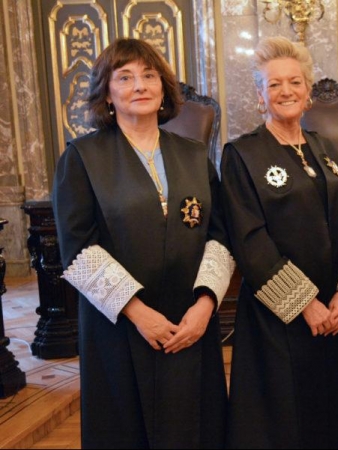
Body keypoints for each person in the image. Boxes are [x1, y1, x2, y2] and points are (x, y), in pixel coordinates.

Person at [52, 38, 235, 449]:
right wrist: (139, 314)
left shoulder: (193, 155)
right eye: (125, 77)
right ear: (107, 93)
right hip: (120, 326)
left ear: (163, 87)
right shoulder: (82, 158)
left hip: (190, 321)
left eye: (149, 75)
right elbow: (78, 252)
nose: (140, 85)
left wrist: (206, 307)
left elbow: (220, 236)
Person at [220, 36, 338, 449]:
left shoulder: (326, 149)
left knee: (332, 417)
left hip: (335, 313)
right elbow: (249, 238)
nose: (286, 91)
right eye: (274, 84)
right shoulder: (241, 154)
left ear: (308, 91)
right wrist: (304, 304)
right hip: (277, 319)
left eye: (294, 82)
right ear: (260, 96)